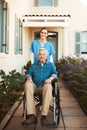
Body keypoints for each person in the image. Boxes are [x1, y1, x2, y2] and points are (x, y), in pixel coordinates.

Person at [24, 48, 58, 126]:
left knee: (49, 86)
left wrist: (50, 79)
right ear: (38, 56)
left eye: (43, 54)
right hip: (35, 86)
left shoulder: (50, 65)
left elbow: (55, 74)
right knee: (28, 84)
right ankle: (32, 116)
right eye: (40, 54)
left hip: (45, 87)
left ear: (46, 56)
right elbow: (28, 74)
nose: (42, 56)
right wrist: (29, 78)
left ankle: (44, 117)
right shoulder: (34, 65)